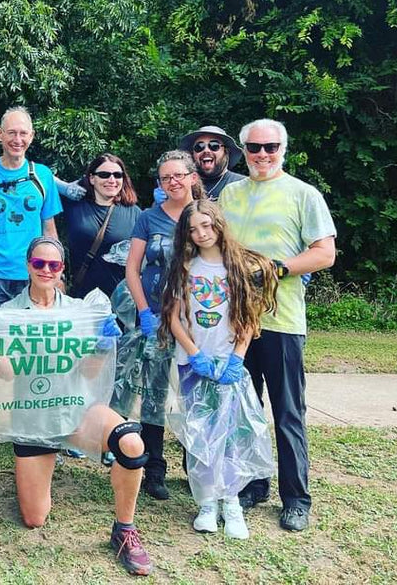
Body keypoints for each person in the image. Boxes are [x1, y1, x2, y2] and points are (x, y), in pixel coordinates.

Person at [0, 236, 154, 576]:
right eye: (39, 263)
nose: (46, 270)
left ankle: (125, 529)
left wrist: (100, 345)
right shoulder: (10, 314)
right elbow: (8, 373)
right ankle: (32, 474)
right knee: (34, 518)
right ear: (28, 266)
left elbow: (89, 372)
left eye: (54, 265)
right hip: (34, 419)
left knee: (131, 441)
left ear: (62, 269)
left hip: (77, 411)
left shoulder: (79, 313)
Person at [220, 119, 336, 532]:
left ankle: (296, 498)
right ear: (244, 150)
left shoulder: (303, 194)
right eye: (254, 148)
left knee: (287, 413)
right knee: (245, 411)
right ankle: (254, 485)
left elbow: (324, 253)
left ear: (283, 148)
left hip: (282, 321)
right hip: (235, 325)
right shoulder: (230, 193)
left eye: (270, 147)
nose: (262, 155)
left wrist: (278, 268)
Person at [159, 200, 278, 540]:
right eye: (193, 229)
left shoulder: (238, 267)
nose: (201, 234)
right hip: (194, 365)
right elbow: (174, 317)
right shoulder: (185, 268)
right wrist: (195, 355)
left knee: (228, 438)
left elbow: (248, 316)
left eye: (206, 226)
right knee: (202, 437)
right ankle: (207, 503)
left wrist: (237, 358)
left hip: (228, 365)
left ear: (219, 224)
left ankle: (233, 504)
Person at [0, 106, 63, 467]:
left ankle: (31, 430)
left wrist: (57, 277)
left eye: (24, 134)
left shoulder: (43, 176)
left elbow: (49, 230)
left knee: (33, 356)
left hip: (33, 278)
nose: (18, 140)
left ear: (31, 137)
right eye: (11, 133)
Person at [123, 150, 202, 500]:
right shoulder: (148, 218)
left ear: (192, 178)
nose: (173, 182)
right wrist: (143, 310)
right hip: (155, 316)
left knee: (192, 394)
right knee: (154, 395)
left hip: (197, 319)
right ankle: (154, 468)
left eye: (179, 175)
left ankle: (196, 466)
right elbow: (132, 268)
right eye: (166, 177)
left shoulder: (205, 215)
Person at [62, 153, 142, 299]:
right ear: (92, 178)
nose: (112, 180)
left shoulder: (135, 213)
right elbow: (44, 181)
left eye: (118, 175)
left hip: (121, 301)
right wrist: (66, 187)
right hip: (82, 298)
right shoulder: (73, 205)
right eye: (104, 174)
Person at [177, 126, 246, 200]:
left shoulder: (244, 186)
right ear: (192, 154)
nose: (206, 151)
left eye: (214, 146)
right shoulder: (181, 186)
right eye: (199, 147)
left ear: (226, 152)